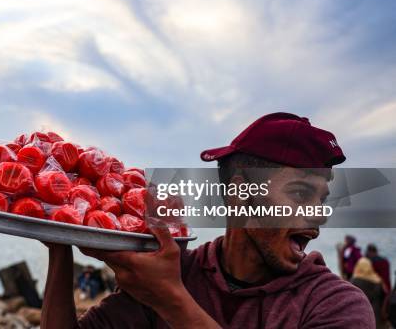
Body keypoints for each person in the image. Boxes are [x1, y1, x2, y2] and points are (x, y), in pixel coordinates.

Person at [41, 112, 374, 328]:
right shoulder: (180, 272)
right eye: (301, 194)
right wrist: (58, 241)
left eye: (322, 199)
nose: (318, 215)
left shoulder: (335, 304)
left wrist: (170, 299)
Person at [352, 258, 388, 329]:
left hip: (359, 318)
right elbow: (385, 298)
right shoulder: (378, 282)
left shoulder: (353, 282)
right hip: (377, 318)